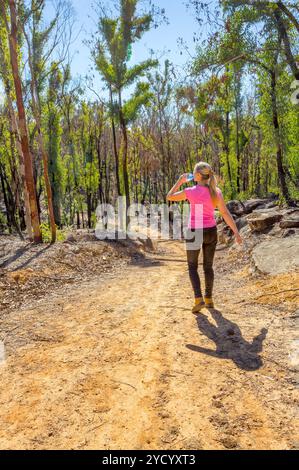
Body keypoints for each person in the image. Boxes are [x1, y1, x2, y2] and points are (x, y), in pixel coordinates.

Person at [166, 161, 243, 313]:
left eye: (194, 173)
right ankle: (209, 299)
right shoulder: (216, 192)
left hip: (195, 231)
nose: (192, 175)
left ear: (199, 175)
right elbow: (225, 213)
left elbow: (169, 196)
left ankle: (198, 299)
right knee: (208, 266)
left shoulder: (190, 191)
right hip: (211, 231)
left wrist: (180, 181)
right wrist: (236, 232)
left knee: (192, 267)